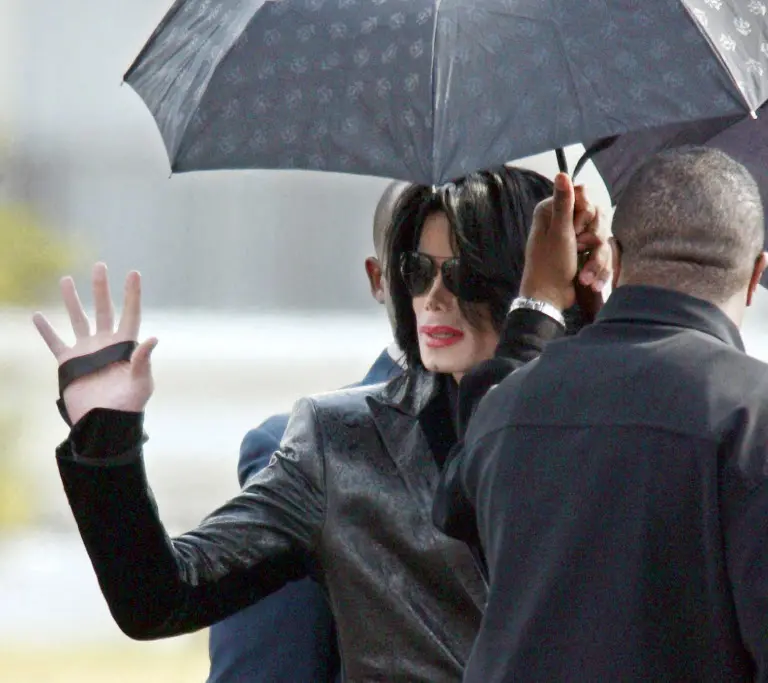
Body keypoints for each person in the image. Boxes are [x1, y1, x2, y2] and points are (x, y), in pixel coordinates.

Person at [34, 166, 609, 682]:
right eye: (417, 271)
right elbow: (158, 597)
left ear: (525, 279)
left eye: (462, 274)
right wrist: (108, 439)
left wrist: (590, 313)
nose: (434, 298)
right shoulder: (341, 442)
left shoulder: (608, 435)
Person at [434, 148, 768, 682]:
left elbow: (455, 500)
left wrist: (538, 303)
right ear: (756, 275)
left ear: (615, 252)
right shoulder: (753, 414)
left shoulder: (510, 404)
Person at [207, 181, 407, 683]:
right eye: (418, 268)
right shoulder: (305, 450)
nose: (451, 290)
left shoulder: (558, 442)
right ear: (379, 278)